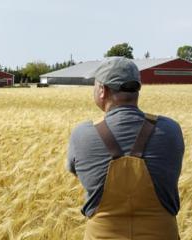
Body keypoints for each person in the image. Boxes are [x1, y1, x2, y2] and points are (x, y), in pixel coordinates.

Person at [67, 57, 184, 239]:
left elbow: (77, 172)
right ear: (137, 89)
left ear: (102, 91)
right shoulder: (171, 129)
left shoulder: (82, 134)